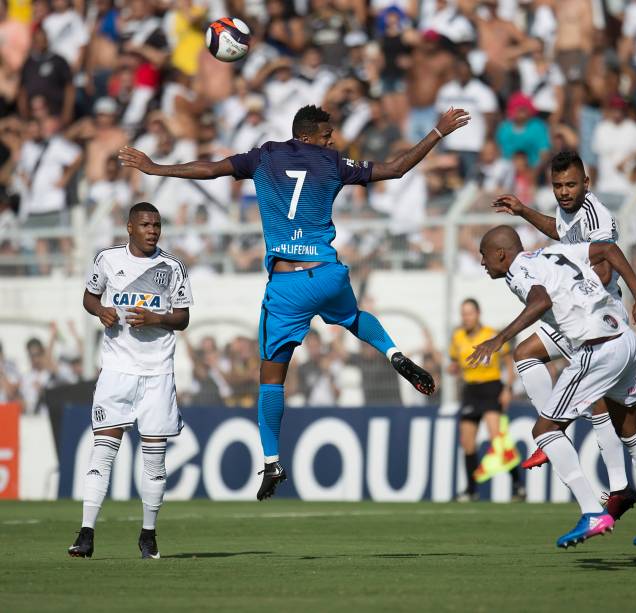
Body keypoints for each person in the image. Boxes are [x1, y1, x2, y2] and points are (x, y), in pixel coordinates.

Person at [119, 104, 470, 501]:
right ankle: (392, 353)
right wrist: (437, 132)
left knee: (271, 380)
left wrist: (157, 168)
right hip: (327, 272)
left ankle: (272, 462)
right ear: (307, 136)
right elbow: (396, 168)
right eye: (326, 135)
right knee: (353, 317)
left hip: (286, 285)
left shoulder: (264, 155)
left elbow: (211, 168)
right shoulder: (335, 163)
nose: (331, 141)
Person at [469, 226, 636, 548]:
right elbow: (608, 249)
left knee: (544, 430)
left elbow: (540, 300)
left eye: (484, 256)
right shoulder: (549, 252)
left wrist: (499, 338)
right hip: (625, 339)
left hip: (598, 348)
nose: (482, 262)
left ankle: (591, 511)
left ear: (501, 253)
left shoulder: (519, 270)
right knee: (631, 430)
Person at [68, 202, 193, 560]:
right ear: (129, 228)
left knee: (154, 460)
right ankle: (86, 534)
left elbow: (183, 318)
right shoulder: (106, 259)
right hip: (117, 371)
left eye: (157, 224)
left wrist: (157, 318)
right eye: (145, 224)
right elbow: (90, 298)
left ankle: (148, 534)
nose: (152, 230)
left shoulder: (172, 267)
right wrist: (101, 310)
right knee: (103, 453)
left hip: (157, 372)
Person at [448, 298, 523, 502]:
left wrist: (507, 388)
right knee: (467, 443)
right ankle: (471, 490)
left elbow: (509, 363)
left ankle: (517, 485)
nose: (466, 317)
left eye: (469, 313)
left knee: (496, 439)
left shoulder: (491, 335)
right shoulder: (458, 337)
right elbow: (454, 362)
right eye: (463, 313)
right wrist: (453, 368)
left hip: (491, 387)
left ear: (478, 314)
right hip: (470, 389)